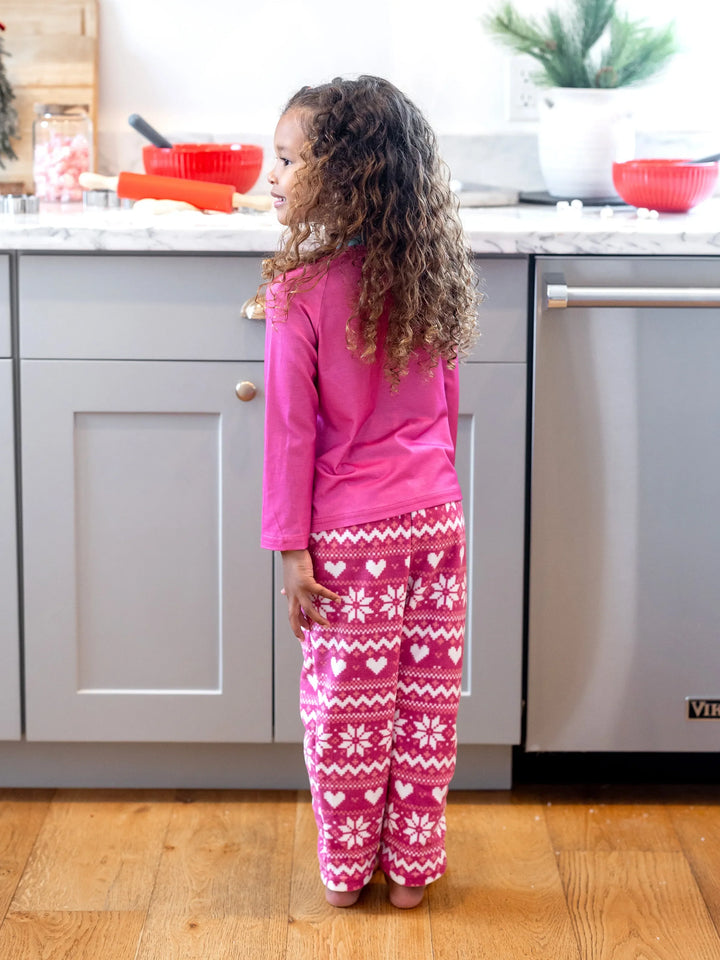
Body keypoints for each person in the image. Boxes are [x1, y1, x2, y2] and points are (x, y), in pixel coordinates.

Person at [260, 75, 478, 909]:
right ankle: (412, 877)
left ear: (344, 176)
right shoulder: (428, 281)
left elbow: (291, 435)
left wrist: (290, 553)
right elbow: (445, 414)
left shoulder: (297, 296)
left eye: (287, 160)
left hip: (350, 541)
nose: (271, 175)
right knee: (425, 705)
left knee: (348, 713)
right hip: (436, 523)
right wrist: (432, 495)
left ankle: (349, 876)